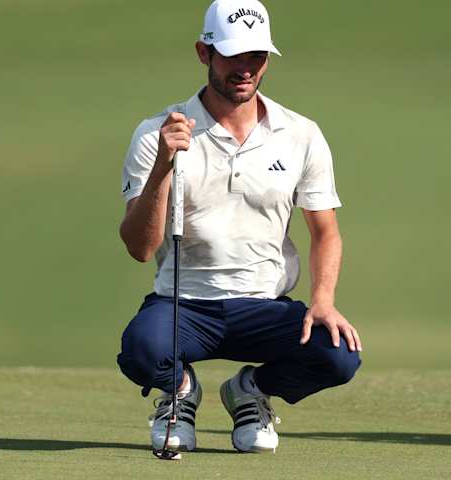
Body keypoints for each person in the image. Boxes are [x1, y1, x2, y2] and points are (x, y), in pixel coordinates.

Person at [116, 0, 362, 453]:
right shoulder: (157, 133)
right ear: (203, 53)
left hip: (263, 304)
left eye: (257, 57)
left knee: (338, 355)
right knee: (140, 351)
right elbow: (139, 247)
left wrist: (324, 300)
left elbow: (325, 231)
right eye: (233, 55)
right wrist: (163, 168)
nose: (246, 68)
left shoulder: (301, 133)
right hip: (183, 304)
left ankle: (249, 391)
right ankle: (181, 393)